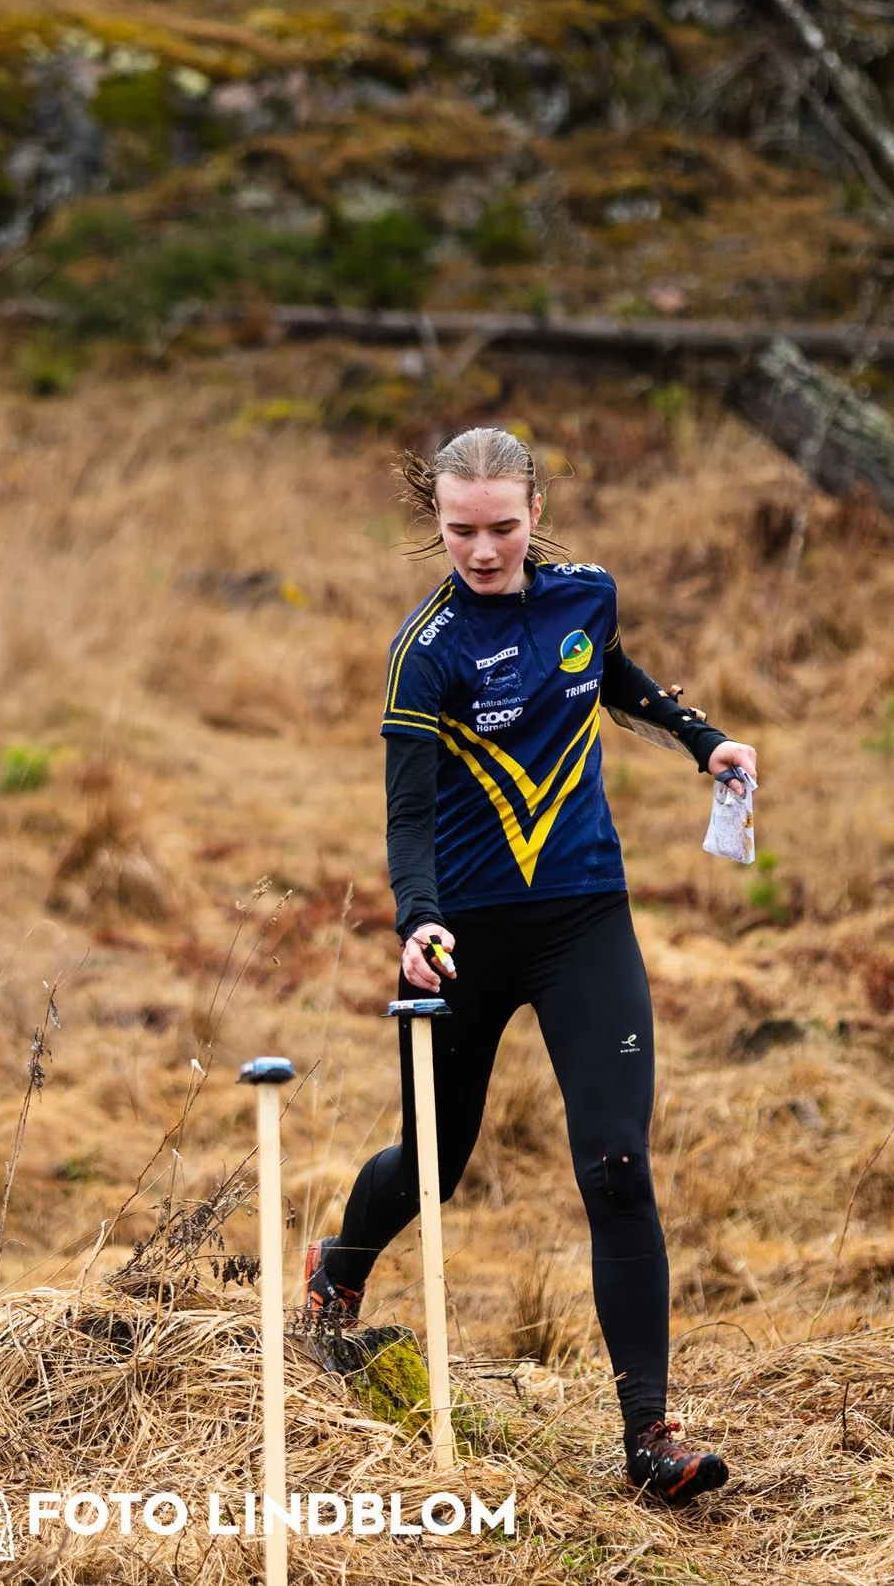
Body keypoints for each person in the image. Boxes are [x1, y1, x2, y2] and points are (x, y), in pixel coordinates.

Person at [303, 426, 756, 1508]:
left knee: (615, 1163)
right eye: (461, 530)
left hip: (583, 920)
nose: (484, 549)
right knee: (432, 1163)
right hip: (463, 931)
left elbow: (608, 676)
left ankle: (649, 1431)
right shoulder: (429, 647)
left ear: (535, 510)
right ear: (437, 520)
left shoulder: (584, 595)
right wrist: (415, 919)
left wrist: (703, 741)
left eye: (503, 526)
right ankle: (340, 1263)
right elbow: (406, 813)